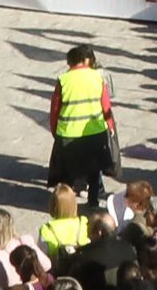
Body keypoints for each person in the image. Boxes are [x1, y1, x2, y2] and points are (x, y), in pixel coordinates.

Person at [51, 46, 115, 209]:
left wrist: (54, 130)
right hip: (95, 131)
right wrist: (110, 125)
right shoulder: (98, 77)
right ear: (86, 60)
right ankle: (93, 202)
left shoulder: (64, 79)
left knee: (67, 173)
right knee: (94, 171)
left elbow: (55, 108)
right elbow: (105, 104)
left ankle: (66, 204)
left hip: (68, 132)